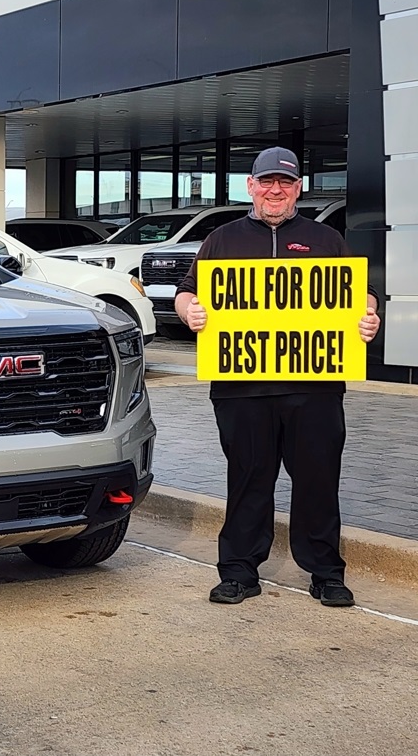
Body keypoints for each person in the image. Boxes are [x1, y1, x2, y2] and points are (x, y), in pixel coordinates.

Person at [174, 146, 381, 608]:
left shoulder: (326, 239)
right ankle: (239, 572)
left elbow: (361, 296)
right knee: (248, 478)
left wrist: (369, 318)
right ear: (251, 186)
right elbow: (186, 293)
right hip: (239, 388)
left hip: (315, 389)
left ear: (298, 189)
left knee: (318, 480)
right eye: (266, 182)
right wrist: (191, 313)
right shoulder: (221, 240)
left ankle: (326, 573)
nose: (275, 190)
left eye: (285, 183)